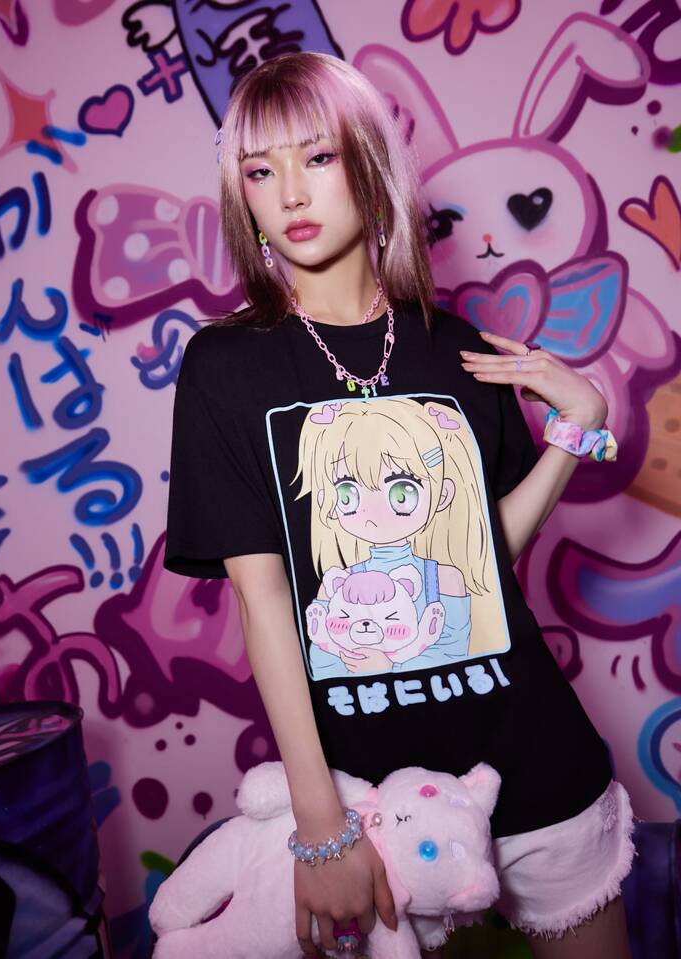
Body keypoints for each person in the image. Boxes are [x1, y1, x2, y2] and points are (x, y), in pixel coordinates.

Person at [163, 52, 634, 958]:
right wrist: (322, 825)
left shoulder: (452, 345)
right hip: (366, 800)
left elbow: (481, 556)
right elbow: (263, 602)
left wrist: (577, 432)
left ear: (370, 167)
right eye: (260, 171)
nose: (290, 193)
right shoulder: (225, 367)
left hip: (535, 758)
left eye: (319, 158)